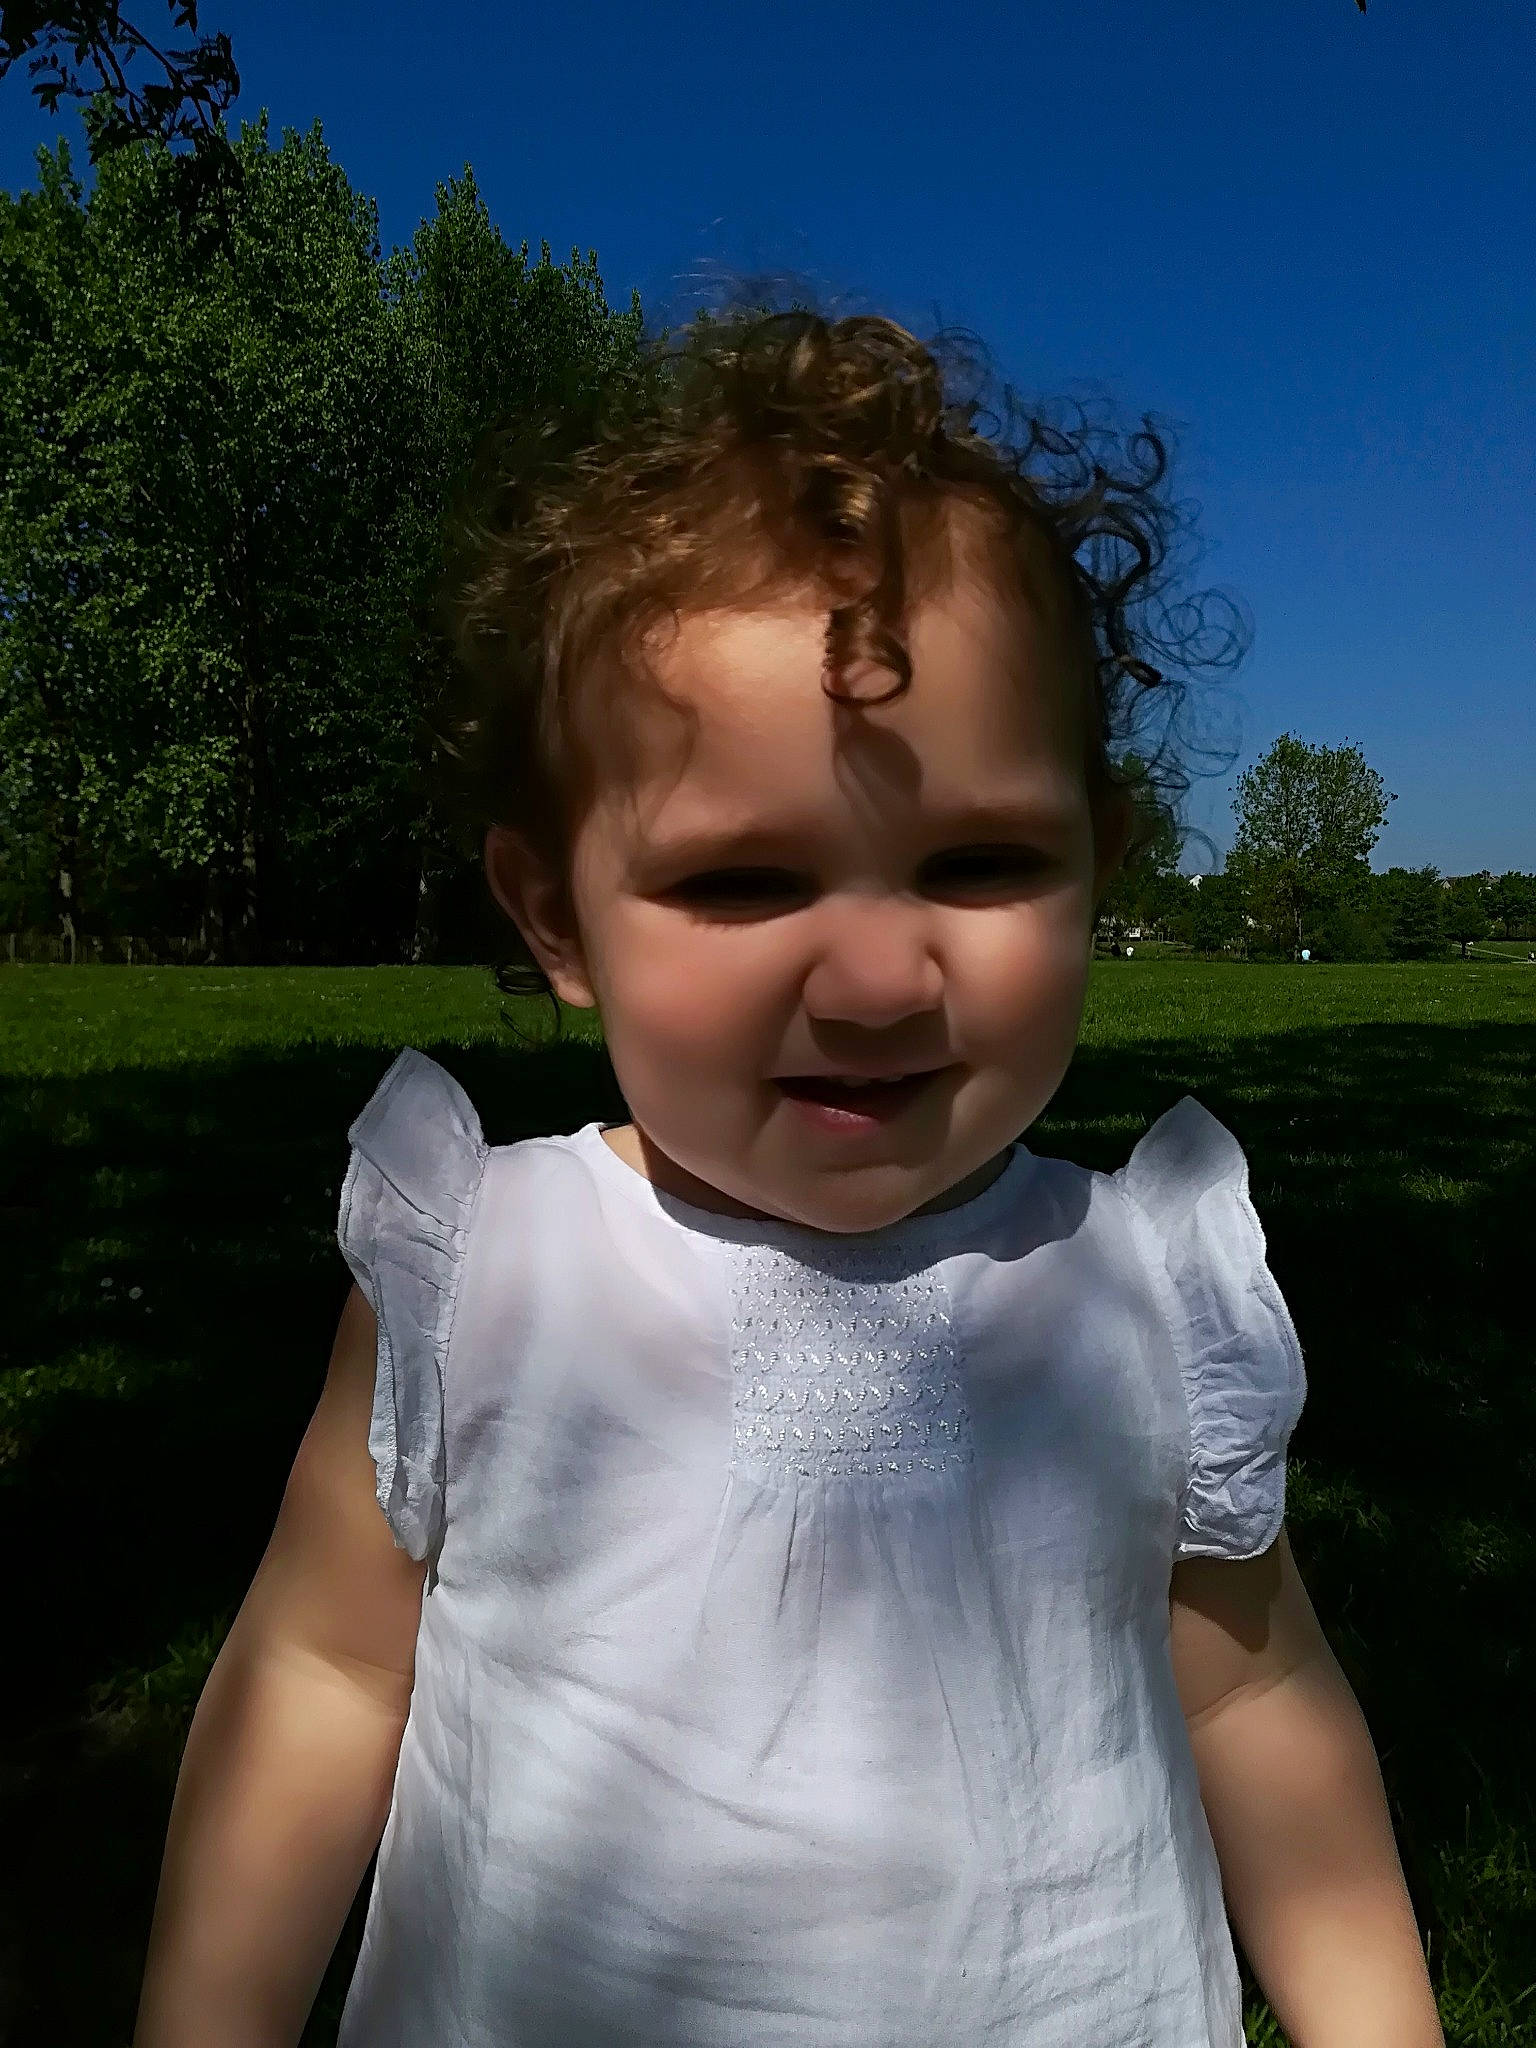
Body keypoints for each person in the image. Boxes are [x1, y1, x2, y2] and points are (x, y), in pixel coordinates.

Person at [132, 311, 1443, 2048]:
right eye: (744, 884)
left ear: (1098, 866)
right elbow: (322, 1669)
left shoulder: (1144, 1292)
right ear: (554, 918)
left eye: (980, 863)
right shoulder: (488, 1269)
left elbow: (1257, 1699)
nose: (880, 979)